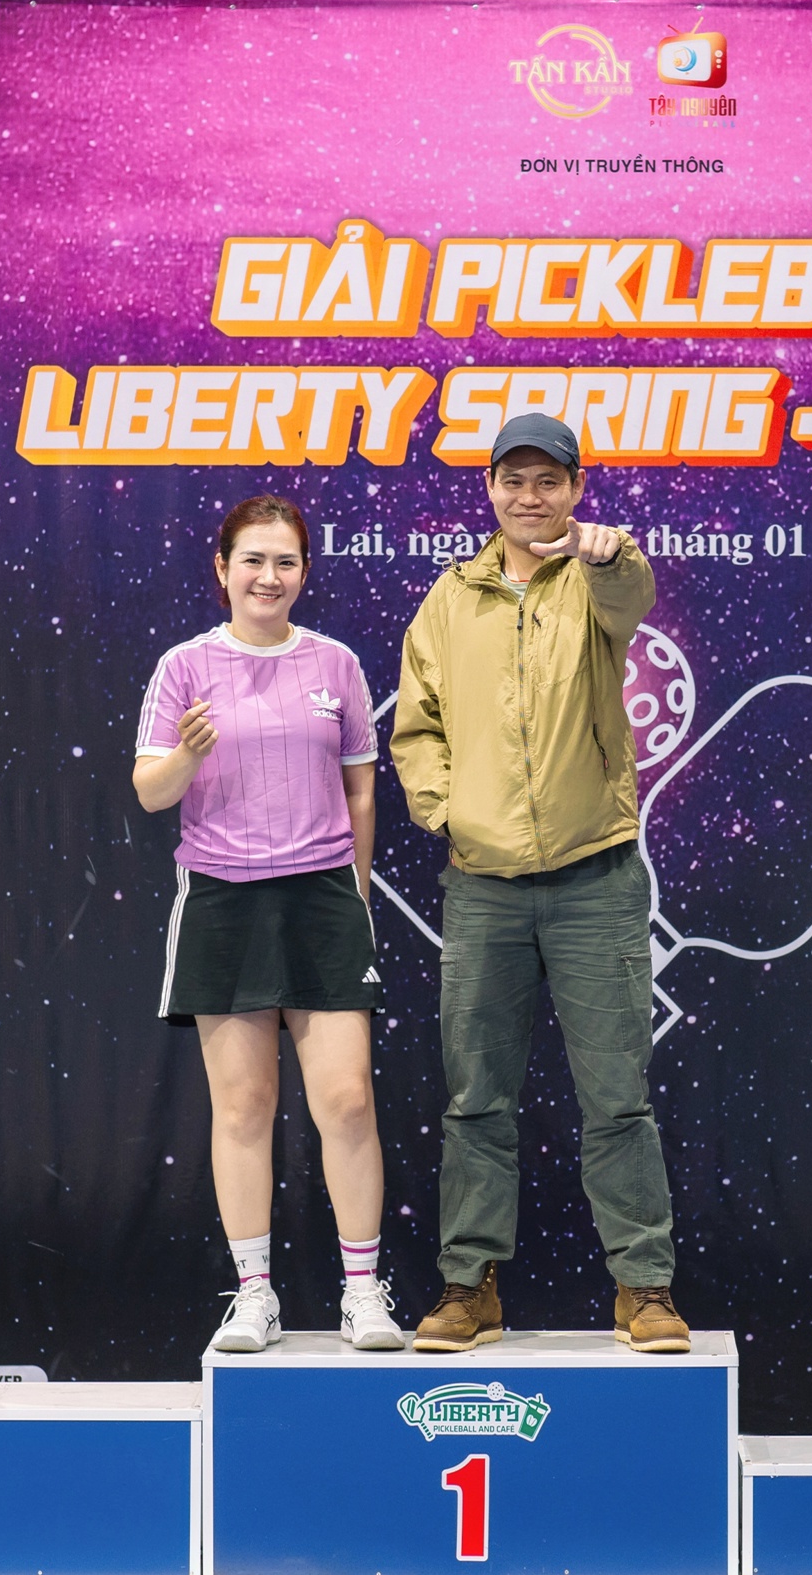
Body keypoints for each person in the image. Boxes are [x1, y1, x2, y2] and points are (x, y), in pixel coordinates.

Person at [391, 412, 689, 1355]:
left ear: (576, 488)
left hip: (597, 878)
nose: (531, 496)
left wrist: (609, 555)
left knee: (617, 1098)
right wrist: (447, 810)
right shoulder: (450, 599)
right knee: (476, 1100)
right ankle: (468, 1287)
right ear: (489, 488)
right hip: (484, 887)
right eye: (514, 480)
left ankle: (644, 1287)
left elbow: (632, 592)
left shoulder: (598, 576)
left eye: (549, 480)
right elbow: (417, 725)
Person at [133, 494, 403, 1353]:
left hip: (323, 898)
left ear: (304, 571)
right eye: (252, 559)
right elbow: (151, 792)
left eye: (285, 561)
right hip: (223, 899)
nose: (268, 575)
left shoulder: (337, 665)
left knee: (347, 1099)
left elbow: (362, 789)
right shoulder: (183, 667)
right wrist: (187, 753)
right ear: (223, 569)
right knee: (245, 1105)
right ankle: (254, 1294)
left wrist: (356, 896)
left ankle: (362, 1291)